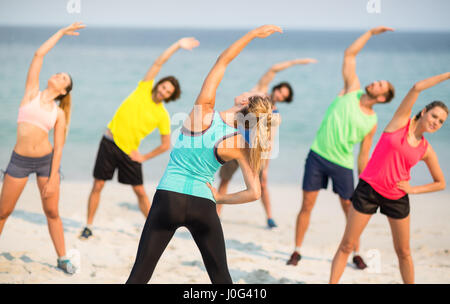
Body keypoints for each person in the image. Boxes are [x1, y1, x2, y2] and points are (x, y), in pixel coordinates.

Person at [126, 25, 282, 284]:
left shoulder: (204, 111)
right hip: (204, 206)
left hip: (169, 198)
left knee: (140, 273)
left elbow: (223, 60)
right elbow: (255, 193)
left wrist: (252, 35)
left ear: (244, 103)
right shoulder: (241, 145)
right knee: (222, 278)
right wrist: (219, 197)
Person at [287, 26, 396, 268]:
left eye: (380, 85)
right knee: (306, 205)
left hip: (343, 165)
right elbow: (349, 54)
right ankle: (296, 250)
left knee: (349, 208)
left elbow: (364, 154)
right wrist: (370, 33)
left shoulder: (372, 121)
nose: (375, 83)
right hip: (317, 156)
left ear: (382, 98)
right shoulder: (351, 90)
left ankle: (355, 251)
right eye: (377, 81)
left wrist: (364, 181)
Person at [329, 72, 448, 284]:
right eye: (434, 116)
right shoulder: (400, 123)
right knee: (347, 244)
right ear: (424, 112)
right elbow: (417, 86)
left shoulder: (426, 150)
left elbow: (441, 183)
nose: (436, 122)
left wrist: (413, 189)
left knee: (404, 252)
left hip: (397, 197)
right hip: (368, 190)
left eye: (441, 122)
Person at [79, 37, 199, 239]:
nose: (163, 91)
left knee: (141, 192)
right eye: (163, 86)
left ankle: (154, 227)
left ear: (170, 96)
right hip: (109, 143)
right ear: (158, 84)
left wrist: (143, 157)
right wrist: (177, 45)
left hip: (130, 152)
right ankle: (89, 225)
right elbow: (158, 63)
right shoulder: (143, 88)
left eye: (168, 91)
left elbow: (165, 145)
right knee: (98, 185)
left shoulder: (162, 115)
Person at [0, 22, 85, 274]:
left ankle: (62, 258)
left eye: (63, 78)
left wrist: (53, 178)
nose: (58, 75)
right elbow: (39, 54)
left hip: (46, 163)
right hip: (19, 161)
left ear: (63, 90)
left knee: (51, 211)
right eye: (59, 73)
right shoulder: (31, 93)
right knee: (3, 211)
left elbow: (58, 148)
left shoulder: (59, 113)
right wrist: (60, 32)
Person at [216, 58, 317, 228]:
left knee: (262, 184)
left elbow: (268, 142)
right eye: (280, 91)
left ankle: (269, 217)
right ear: (276, 88)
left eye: (283, 96)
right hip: (235, 142)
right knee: (225, 179)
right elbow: (273, 69)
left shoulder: (275, 115)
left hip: (253, 150)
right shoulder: (259, 93)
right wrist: (296, 62)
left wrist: (266, 166)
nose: (279, 95)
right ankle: (217, 213)